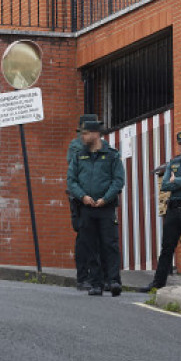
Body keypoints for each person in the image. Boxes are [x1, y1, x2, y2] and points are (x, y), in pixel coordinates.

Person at [138, 131, 181, 292]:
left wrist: (176, 180)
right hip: (174, 210)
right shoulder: (173, 163)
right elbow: (165, 185)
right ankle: (157, 284)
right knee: (166, 248)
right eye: (180, 144)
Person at [67, 120, 125, 296]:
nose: (82, 137)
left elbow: (118, 180)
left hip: (105, 208)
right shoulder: (78, 156)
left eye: (84, 134)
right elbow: (71, 180)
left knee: (110, 244)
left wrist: (105, 198)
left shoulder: (112, 155)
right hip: (86, 207)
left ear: (95, 134)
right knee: (90, 246)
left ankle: (114, 281)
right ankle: (96, 283)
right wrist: (83, 196)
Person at [67, 113, 98, 291]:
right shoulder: (76, 146)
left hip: (97, 197)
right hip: (80, 197)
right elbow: (76, 170)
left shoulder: (101, 145)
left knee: (102, 237)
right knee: (84, 236)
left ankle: (98, 277)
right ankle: (83, 277)